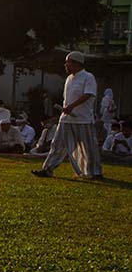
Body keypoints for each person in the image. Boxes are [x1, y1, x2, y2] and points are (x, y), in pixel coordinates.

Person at [33, 51, 103, 179]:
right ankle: (47, 169)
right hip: (66, 119)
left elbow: (88, 94)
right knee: (57, 144)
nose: (66, 65)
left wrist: (72, 107)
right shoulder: (69, 79)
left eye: (68, 62)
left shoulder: (88, 77)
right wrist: (67, 109)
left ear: (76, 63)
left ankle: (95, 172)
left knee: (88, 146)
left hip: (82, 119)